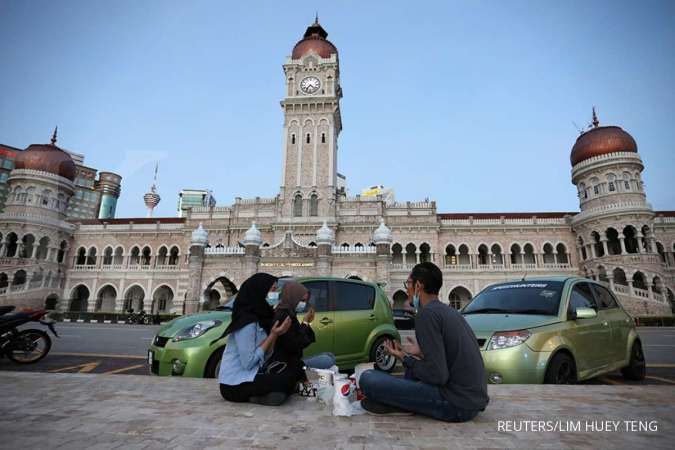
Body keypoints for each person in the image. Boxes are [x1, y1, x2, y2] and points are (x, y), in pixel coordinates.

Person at [359, 262, 489, 422]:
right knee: (407, 375)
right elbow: (446, 360)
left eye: (408, 284)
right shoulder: (448, 311)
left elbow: (437, 376)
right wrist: (419, 353)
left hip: (456, 405)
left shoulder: (426, 315)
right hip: (472, 401)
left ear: (418, 286)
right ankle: (399, 402)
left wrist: (405, 359)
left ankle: (400, 404)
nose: (407, 290)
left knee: (368, 378)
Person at [218, 273, 294, 406]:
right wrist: (273, 335)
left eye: (276, 290)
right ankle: (260, 397)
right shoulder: (247, 322)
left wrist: (277, 334)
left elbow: (266, 355)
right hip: (233, 384)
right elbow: (248, 363)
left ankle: (268, 395)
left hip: (252, 375)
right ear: (260, 291)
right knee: (283, 382)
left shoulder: (262, 317)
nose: (275, 294)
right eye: (272, 290)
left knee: (292, 373)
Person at [269, 281, 336, 384]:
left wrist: (307, 323)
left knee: (329, 356)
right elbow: (295, 344)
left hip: (294, 362)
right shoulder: (283, 316)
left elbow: (299, 337)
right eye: (301, 300)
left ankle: (316, 377)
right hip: (288, 366)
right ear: (293, 298)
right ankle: (311, 378)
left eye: (305, 301)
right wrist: (305, 322)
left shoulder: (289, 313)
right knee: (328, 360)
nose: (303, 304)